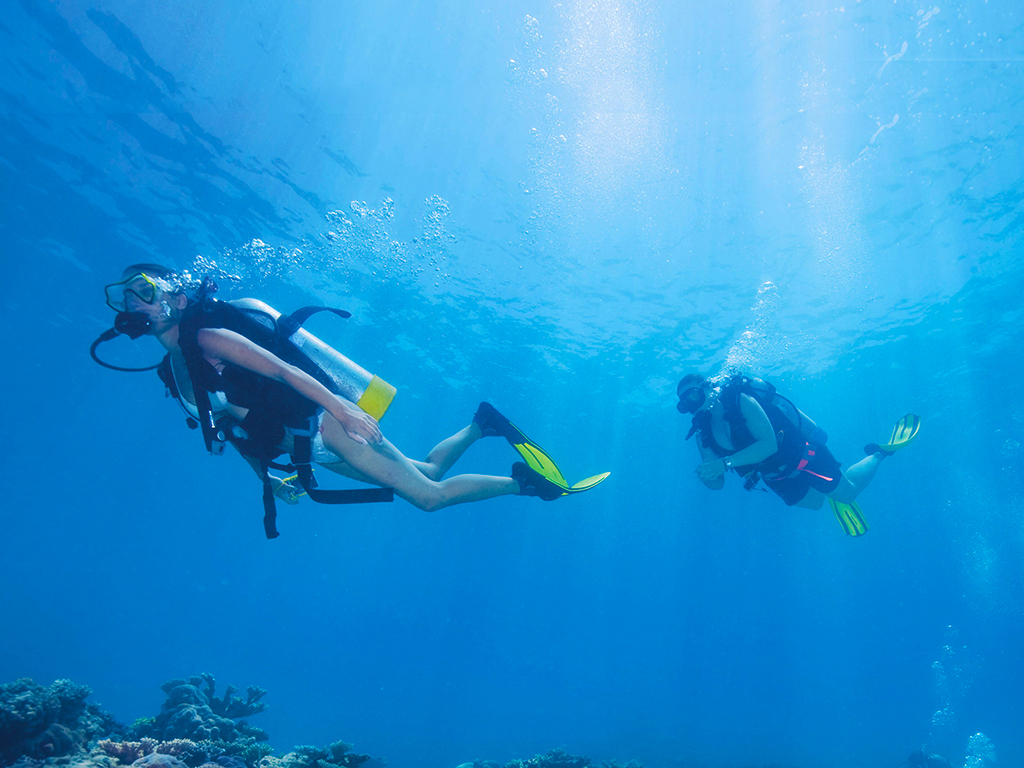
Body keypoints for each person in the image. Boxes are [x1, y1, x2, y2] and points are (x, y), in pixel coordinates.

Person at [94, 264, 608, 537]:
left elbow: (281, 369)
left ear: (177, 297)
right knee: (428, 472)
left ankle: (528, 485)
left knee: (429, 498)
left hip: (326, 426)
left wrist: (343, 409)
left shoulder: (206, 337)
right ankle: (481, 424)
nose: (133, 302)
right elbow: (229, 426)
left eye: (144, 289)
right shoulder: (173, 369)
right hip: (306, 446)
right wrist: (266, 479)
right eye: (124, 296)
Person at [676, 372, 919, 535]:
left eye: (693, 394)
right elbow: (717, 482)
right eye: (685, 404)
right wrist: (707, 476)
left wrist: (724, 463)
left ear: (707, 387)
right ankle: (830, 489)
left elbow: (768, 445)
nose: (692, 404)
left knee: (848, 494)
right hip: (775, 476)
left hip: (803, 456)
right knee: (816, 503)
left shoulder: (740, 401)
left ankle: (879, 454)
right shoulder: (702, 434)